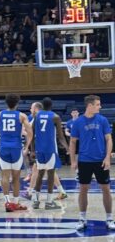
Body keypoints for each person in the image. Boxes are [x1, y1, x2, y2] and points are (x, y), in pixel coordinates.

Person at [69, 95, 115, 232]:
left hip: (100, 160)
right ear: (90, 106)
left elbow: (109, 139)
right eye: (97, 104)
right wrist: (73, 160)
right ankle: (82, 218)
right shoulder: (78, 122)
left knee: (106, 189)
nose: (100, 107)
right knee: (83, 189)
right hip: (84, 161)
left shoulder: (103, 120)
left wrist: (107, 157)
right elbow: (72, 141)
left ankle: (109, 218)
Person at [0, 94, 33, 213]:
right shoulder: (21, 116)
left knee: (5, 176)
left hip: (4, 148)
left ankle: (7, 202)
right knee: (16, 178)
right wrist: (27, 146)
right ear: (17, 103)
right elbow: (30, 132)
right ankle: (16, 203)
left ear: (6, 103)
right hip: (16, 148)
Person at [30, 97, 66, 212]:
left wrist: (32, 150)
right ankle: (49, 202)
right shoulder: (55, 117)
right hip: (50, 149)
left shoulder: (36, 116)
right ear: (51, 106)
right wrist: (67, 147)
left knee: (40, 174)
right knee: (50, 175)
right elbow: (60, 136)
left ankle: (36, 201)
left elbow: (32, 134)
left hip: (39, 150)